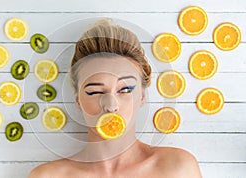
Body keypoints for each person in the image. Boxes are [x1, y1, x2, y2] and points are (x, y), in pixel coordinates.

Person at [28, 18, 202, 178]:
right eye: (95, 92)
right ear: (78, 101)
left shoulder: (177, 169)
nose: (111, 106)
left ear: (141, 96)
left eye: (125, 90)